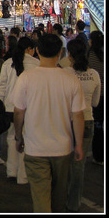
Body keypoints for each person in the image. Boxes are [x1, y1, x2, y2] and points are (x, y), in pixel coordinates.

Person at [12, 34, 86, 213]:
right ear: (61, 52)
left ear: (37, 51)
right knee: (59, 198)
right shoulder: (71, 80)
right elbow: (78, 116)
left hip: (35, 148)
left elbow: (18, 112)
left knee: (41, 197)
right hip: (63, 148)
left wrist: (18, 136)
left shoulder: (26, 78)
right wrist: (79, 145)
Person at [64, 38, 101, 212]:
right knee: (79, 165)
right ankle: (74, 203)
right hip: (87, 121)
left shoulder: (66, 73)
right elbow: (95, 102)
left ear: (69, 55)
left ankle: (61, 198)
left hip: (67, 121)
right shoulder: (94, 74)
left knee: (63, 162)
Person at [0, 36, 39, 184]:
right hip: (29, 108)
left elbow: (1, 87)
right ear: (29, 49)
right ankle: (23, 176)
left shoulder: (8, 63)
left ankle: (11, 171)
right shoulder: (36, 64)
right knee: (26, 139)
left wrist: (1, 105)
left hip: (10, 107)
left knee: (11, 138)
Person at [87, 31, 104, 165]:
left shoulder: (90, 55)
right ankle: (99, 154)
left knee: (96, 124)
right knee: (99, 125)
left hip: (95, 94)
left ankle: (97, 154)